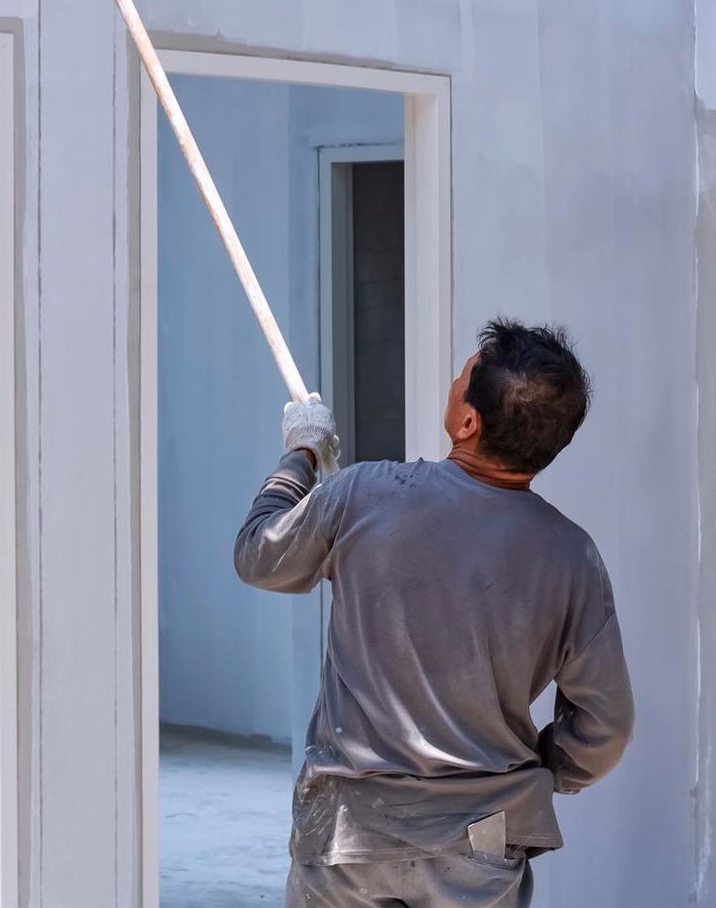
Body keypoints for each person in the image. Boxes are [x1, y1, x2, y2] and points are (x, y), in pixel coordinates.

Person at [236, 318, 633, 908]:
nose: (453, 382)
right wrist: (533, 771)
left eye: (461, 377)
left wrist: (300, 454)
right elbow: (605, 727)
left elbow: (259, 556)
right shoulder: (571, 556)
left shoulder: (365, 494)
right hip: (482, 837)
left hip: (349, 832)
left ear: (469, 422)